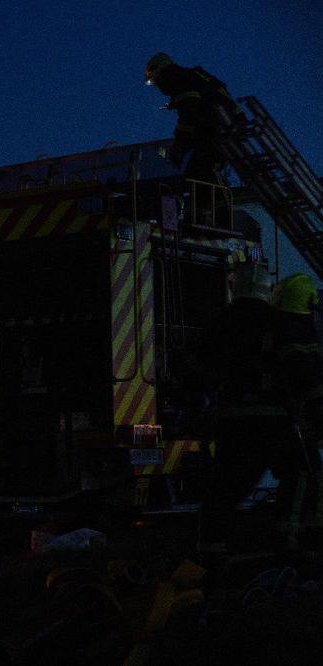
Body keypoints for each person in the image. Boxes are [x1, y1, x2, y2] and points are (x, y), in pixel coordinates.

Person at [191, 263, 297, 552]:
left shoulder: (218, 322)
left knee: (223, 494)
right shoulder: (278, 322)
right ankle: (282, 542)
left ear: (234, 286)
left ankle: (211, 555)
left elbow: (199, 370)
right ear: (267, 288)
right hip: (276, 422)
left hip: (232, 423)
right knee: (300, 476)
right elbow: (295, 369)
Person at [145, 53, 240, 224]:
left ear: (158, 72)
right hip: (223, 128)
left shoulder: (178, 79)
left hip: (220, 131)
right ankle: (202, 214)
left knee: (205, 168)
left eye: (155, 81)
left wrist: (179, 147)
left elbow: (189, 116)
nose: (157, 86)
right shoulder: (191, 77)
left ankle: (223, 214)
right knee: (196, 171)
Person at [271, 274, 323, 547]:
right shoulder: (297, 333)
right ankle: (295, 542)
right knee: (305, 472)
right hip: (289, 420)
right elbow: (307, 379)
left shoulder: (275, 328)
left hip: (275, 420)